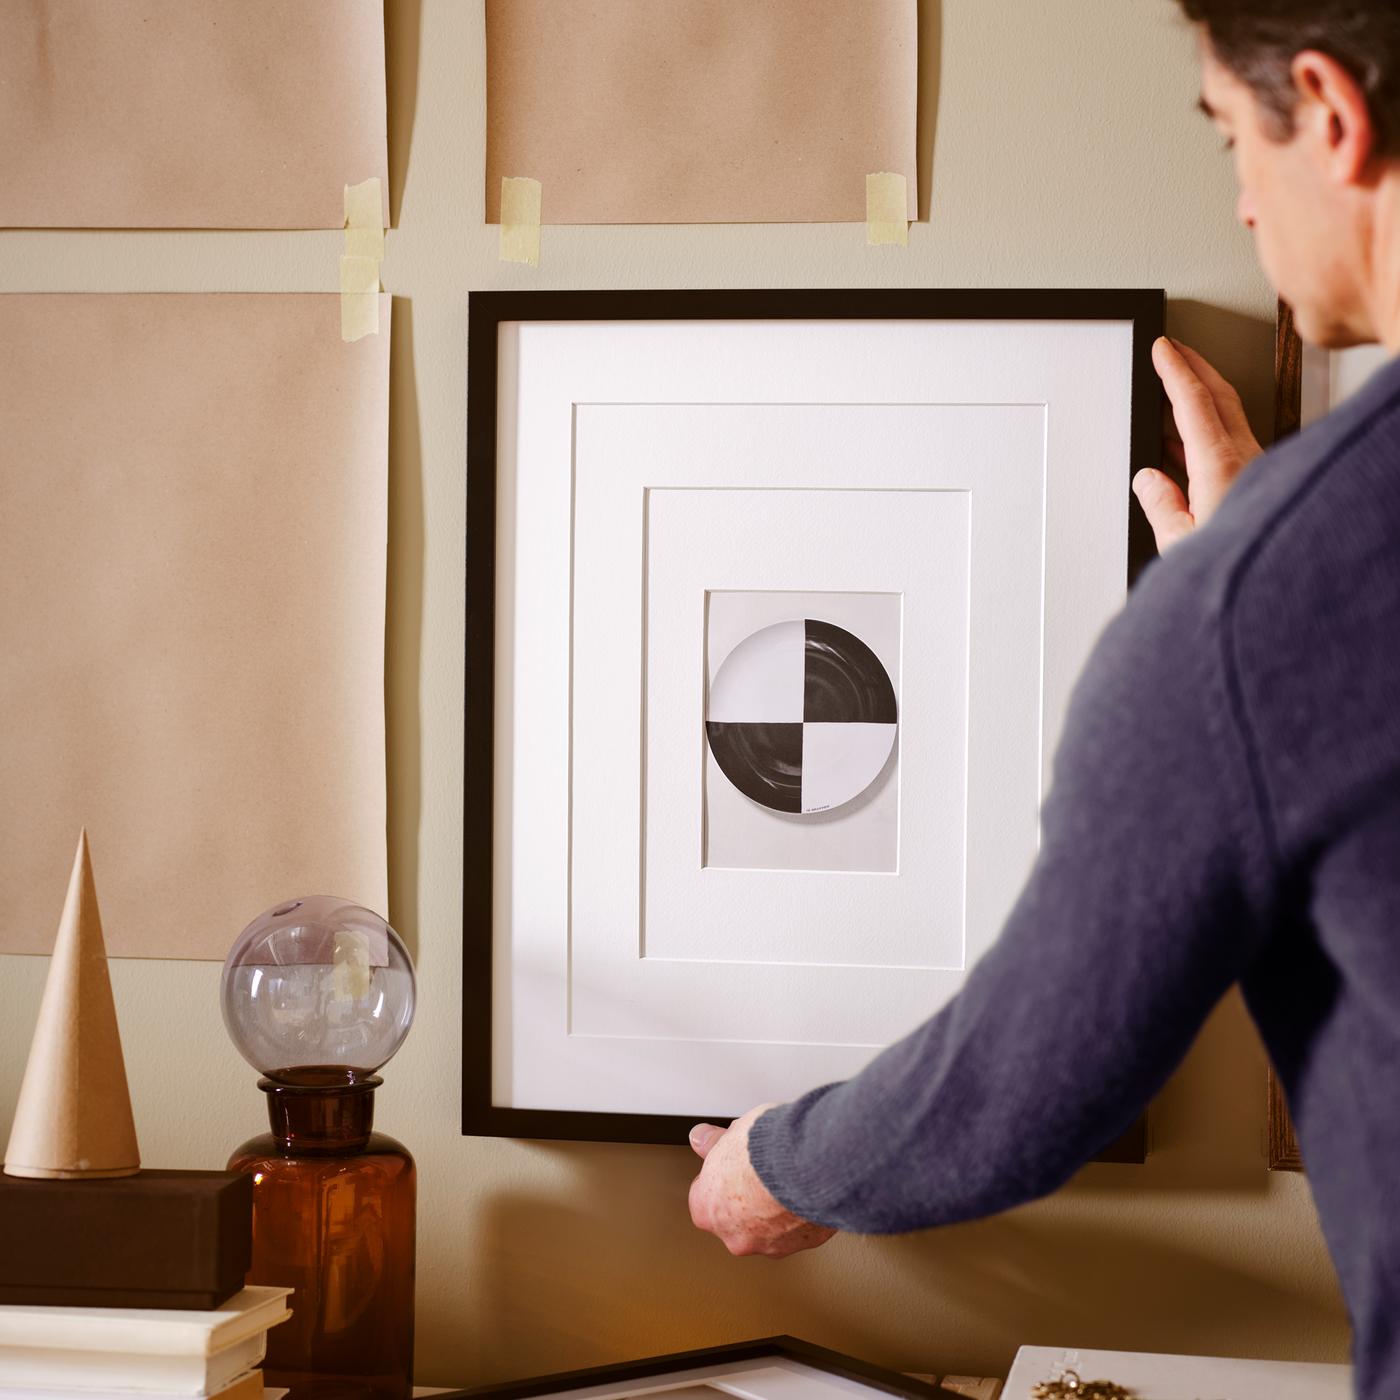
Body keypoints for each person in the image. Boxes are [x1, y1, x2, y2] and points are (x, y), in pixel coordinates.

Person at [687, 2, 1400, 1393]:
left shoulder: (1263, 607)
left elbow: (1024, 1082)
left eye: (1231, 138)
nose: (1245, 207)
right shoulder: (1282, 597)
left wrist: (777, 1165)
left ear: (1328, 109)